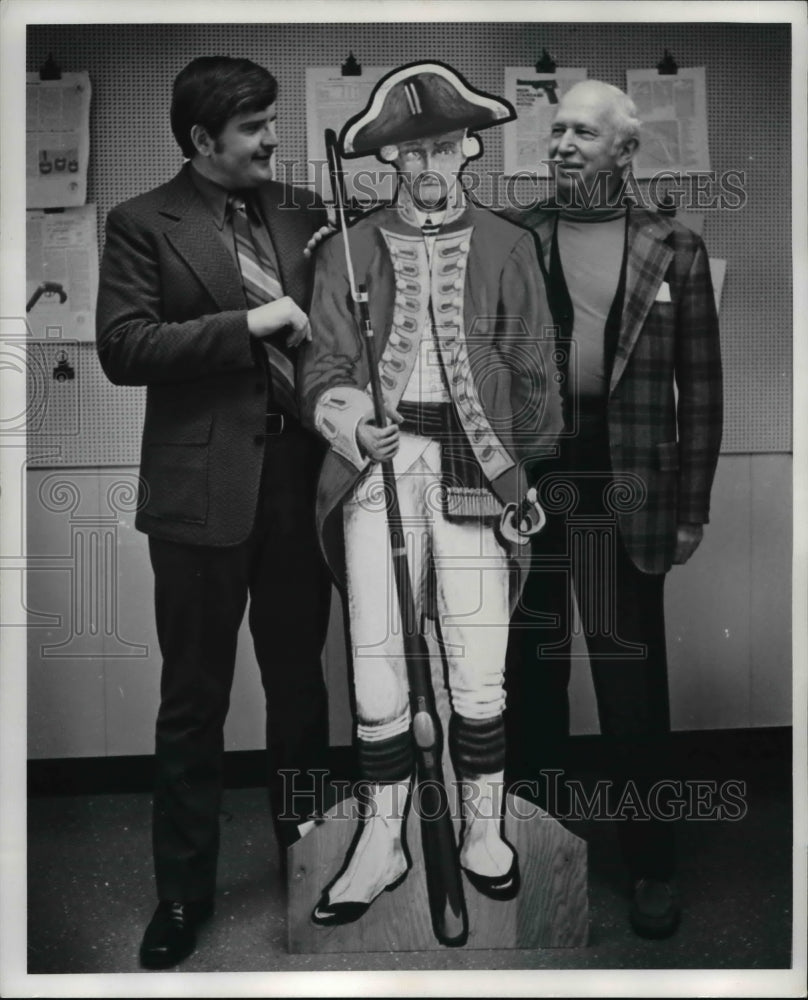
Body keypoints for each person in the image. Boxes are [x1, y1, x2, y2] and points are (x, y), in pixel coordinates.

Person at [299, 62, 563, 926]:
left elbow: (533, 376)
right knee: (376, 662)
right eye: (408, 153)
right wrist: (346, 417)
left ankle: (483, 829)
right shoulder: (349, 245)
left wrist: (516, 468)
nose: (425, 166)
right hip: (378, 468)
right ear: (389, 163)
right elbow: (325, 364)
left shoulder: (509, 243)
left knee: (478, 661)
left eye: (441, 146)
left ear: (471, 148)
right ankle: (384, 839)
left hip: (475, 469)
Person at [96, 56, 332, 969]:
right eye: (255, 127)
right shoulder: (140, 222)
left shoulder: (305, 211)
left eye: (273, 121)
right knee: (194, 702)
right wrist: (251, 325)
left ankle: (310, 871)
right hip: (201, 494)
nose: (274, 138)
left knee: (301, 691)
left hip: (296, 481)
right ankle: (183, 895)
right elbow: (124, 345)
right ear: (202, 140)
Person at [504, 79, 723, 939]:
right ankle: (535, 854)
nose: (560, 142)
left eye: (582, 133)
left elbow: (698, 393)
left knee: (631, 689)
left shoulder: (673, 248)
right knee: (531, 683)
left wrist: (691, 509)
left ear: (624, 151)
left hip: (625, 491)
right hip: (531, 486)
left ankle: (652, 869)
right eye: (555, 128)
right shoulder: (514, 235)